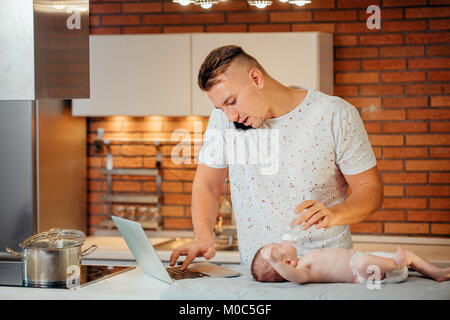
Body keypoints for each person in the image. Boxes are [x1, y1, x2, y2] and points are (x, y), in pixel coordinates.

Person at [170, 44, 383, 269]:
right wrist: (203, 237)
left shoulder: (334, 114)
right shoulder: (224, 121)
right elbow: (207, 184)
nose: (230, 116)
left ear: (256, 79)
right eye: (221, 108)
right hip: (258, 275)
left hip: (327, 272)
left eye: (231, 102)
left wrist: (336, 214)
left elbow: (370, 189)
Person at [251, 241, 450, 284]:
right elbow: (296, 278)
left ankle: (437, 273)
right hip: (364, 272)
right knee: (363, 261)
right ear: (287, 261)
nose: (282, 241)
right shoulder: (303, 271)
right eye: (279, 245)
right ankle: (396, 264)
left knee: (410, 256)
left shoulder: (305, 258)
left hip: (370, 259)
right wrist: (276, 263)